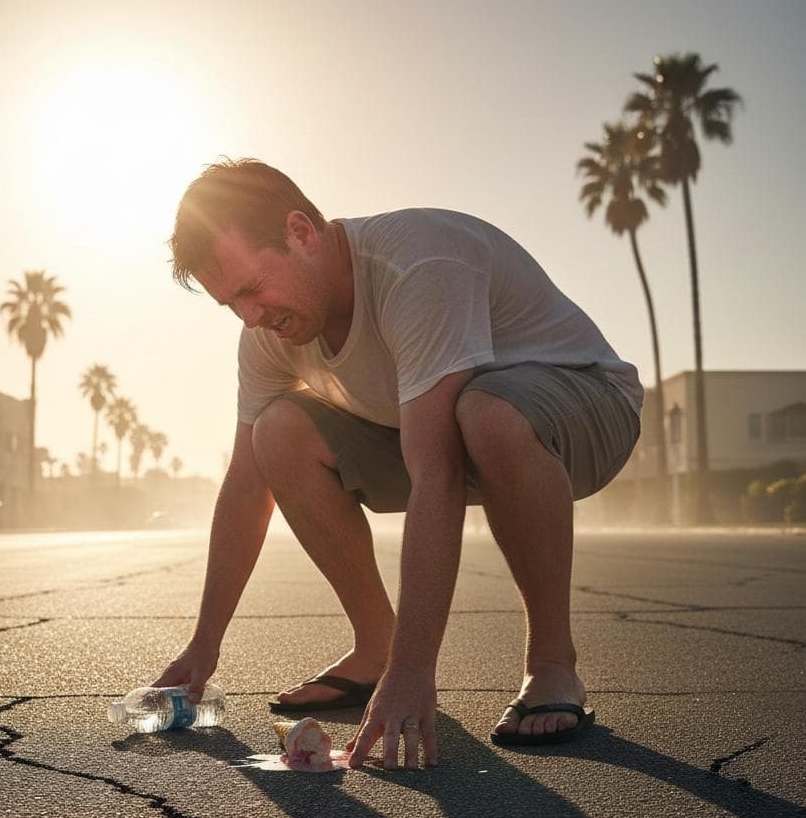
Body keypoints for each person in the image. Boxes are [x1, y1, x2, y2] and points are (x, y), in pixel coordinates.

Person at [154, 158, 641, 769]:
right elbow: (246, 487)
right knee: (276, 433)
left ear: (302, 232)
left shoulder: (418, 264)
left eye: (253, 289)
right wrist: (204, 646)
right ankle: (375, 645)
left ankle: (551, 663)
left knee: (484, 412)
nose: (250, 317)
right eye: (232, 304)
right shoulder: (267, 334)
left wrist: (417, 673)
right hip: (449, 429)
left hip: (586, 410)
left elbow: (434, 471)